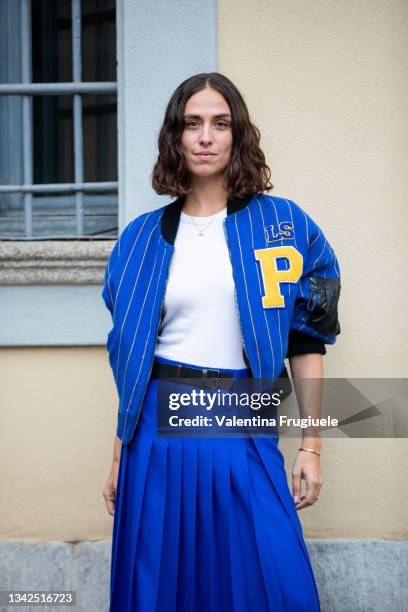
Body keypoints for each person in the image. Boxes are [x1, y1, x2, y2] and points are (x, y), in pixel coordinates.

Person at [101, 72, 341, 612]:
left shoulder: (283, 225)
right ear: (175, 137)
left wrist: (311, 446)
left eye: (220, 123)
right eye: (192, 124)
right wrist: (119, 453)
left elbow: (307, 341)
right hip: (156, 431)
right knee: (162, 585)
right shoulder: (140, 238)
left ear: (238, 135)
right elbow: (133, 361)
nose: (205, 136)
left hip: (244, 416)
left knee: (274, 583)